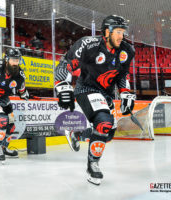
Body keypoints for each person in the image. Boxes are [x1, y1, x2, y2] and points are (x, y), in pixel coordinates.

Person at [54, 15, 135, 185]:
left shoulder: (127, 51)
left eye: (123, 32)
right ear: (107, 32)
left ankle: (77, 132)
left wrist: (126, 92)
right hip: (86, 89)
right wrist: (62, 85)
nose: (122, 36)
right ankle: (93, 166)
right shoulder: (88, 44)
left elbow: (122, 75)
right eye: (118, 32)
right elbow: (65, 63)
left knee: (108, 133)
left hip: (106, 94)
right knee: (104, 122)